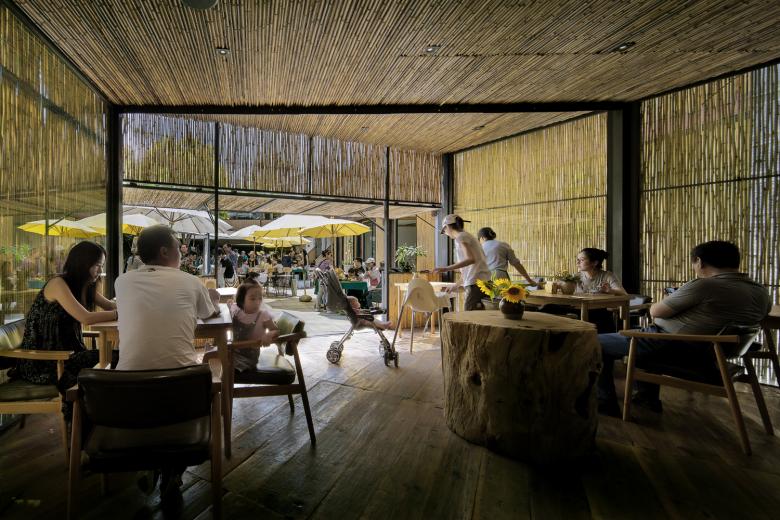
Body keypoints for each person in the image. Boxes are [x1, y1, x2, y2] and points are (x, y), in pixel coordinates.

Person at [597, 240, 771, 417]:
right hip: (711, 352)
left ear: (699, 261)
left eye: (694, 263)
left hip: (675, 345)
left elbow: (656, 311)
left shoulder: (704, 285)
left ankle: (604, 402)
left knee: (594, 341)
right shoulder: (761, 291)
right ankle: (646, 398)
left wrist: (670, 299)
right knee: (637, 343)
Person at [114, 226, 219, 508]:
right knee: (186, 397)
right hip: (182, 387)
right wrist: (213, 300)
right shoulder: (190, 281)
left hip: (126, 391)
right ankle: (172, 471)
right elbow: (209, 313)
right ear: (164, 252)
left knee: (150, 409)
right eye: (177, 247)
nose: (181, 252)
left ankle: (150, 463)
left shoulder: (122, 282)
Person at [10, 242, 117, 419]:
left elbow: (110, 306)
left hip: (68, 356)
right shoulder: (58, 283)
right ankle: (94, 419)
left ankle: (98, 417)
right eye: (97, 265)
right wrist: (118, 313)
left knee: (114, 358)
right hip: (46, 361)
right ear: (82, 263)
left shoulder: (83, 285)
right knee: (115, 358)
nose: (100, 271)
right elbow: (86, 318)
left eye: (102, 266)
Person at [204, 281, 279, 371]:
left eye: (260, 298)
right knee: (210, 356)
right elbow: (231, 306)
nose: (257, 302)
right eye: (252, 299)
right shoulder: (238, 311)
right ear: (242, 300)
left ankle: (221, 380)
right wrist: (229, 304)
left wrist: (269, 335)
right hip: (233, 351)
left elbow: (276, 330)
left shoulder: (263, 315)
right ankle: (211, 379)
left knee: (212, 357)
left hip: (247, 359)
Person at [433, 214, 490, 311]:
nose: (446, 234)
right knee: (479, 315)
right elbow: (468, 269)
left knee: (469, 315)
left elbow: (470, 259)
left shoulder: (460, 237)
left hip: (475, 284)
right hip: (484, 282)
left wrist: (446, 268)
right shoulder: (468, 236)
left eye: (444, 231)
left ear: (447, 227)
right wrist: (455, 286)